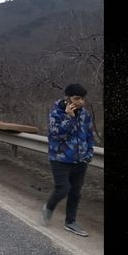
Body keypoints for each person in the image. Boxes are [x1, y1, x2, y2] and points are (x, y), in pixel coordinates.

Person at [41, 83, 95, 237]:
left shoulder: (85, 115)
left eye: (82, 99)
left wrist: (89, 153)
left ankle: (70, 222)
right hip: (60, 159)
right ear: (67, 98)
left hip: (80, 160)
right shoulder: (56, 113)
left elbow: (90, 136)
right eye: (76, 98)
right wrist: (69, 118)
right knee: (63, 188)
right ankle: (48, 208)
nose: (80, 102)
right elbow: (57, 135)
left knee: (75, 192)